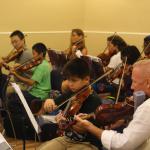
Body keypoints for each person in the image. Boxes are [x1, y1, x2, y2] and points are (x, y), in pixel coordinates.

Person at [75, 60, 150, 150]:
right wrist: (125, 120)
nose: (132, 87)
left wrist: (89, 127)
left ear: (148, 83)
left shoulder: (147, 107)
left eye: (135, 82)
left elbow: (123, 144)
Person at [38, 58, 102, 150]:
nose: (70, 84)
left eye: (74, 80)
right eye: (68, 80)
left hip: (88, 143)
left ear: (86, 79)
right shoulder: (72, 93)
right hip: (68, 139)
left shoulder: (94, 100)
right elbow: (55, 102)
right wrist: (49, 102)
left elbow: (82, 129)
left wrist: (64, 123)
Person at [7, 42, 51, 114]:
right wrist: (20, 67)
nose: (32, 56)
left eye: (34, 54)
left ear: (41, 54)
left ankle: (23, 118)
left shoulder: (42, 66)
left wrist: (16, 74)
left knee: (13, 101)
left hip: (39, 95)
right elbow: (31, 71)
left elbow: (31, 82)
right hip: (34, 92)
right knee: (12, 95)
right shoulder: (41, 63)